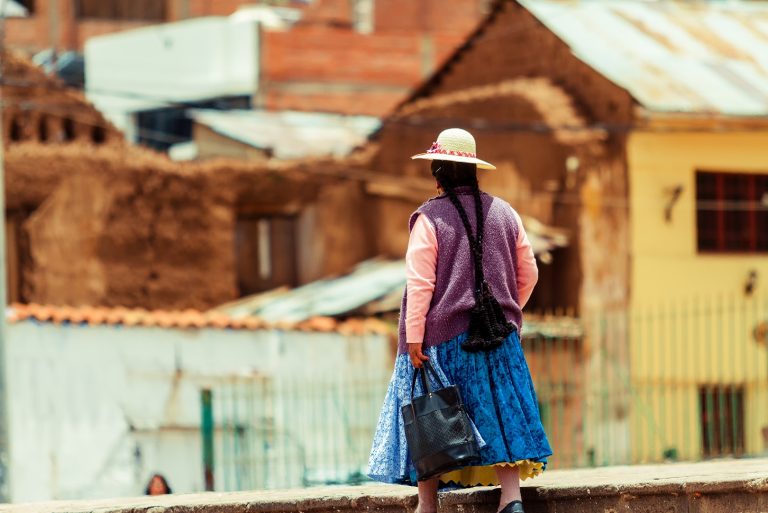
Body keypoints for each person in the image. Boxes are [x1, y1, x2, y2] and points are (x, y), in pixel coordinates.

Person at [368, 128, 552, 513]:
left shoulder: (429, 219)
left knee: (432, 414)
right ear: (474, 173)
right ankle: (511, 499)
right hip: (499, 337)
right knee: (501, 412)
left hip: (442, 340)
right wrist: (507, 312)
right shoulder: (505, 212)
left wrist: (415, 336)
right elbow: (529, 271)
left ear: (437, 173)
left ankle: (427, 504)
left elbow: (420, 284)